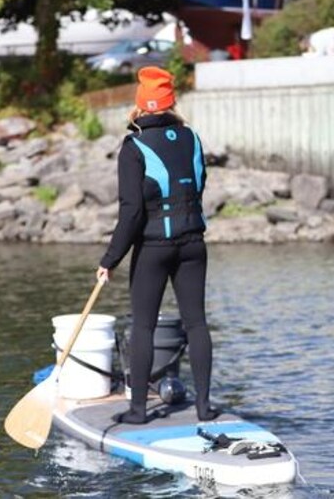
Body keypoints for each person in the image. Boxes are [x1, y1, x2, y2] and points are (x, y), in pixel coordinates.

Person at [97, 66, 219, 425]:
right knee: (196, 323)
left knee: (144, 326)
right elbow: (198, 185)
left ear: (139, 105)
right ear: (170, 102)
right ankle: (204, 408)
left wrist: (110, 259)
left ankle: (137, 411)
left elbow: (132, 212)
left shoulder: (133, 146)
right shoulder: (192, 138)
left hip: (153, 247)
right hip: (194, 244)